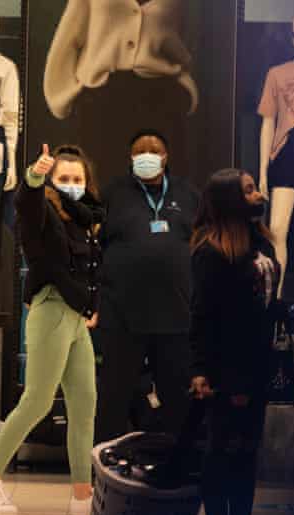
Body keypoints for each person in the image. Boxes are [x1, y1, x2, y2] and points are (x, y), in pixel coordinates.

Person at [0, 144, 103, 514]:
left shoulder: (84, 219)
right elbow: (25, 201)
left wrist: (92, 308)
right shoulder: (40, 211)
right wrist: (35, 175)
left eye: (77, 179)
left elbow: (91, 270)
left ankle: (82, 495)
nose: (72, 184)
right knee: (38, 400)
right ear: (51, 181)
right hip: (51, 311)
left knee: (84, 403)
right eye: (64, 178)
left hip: (76, 319)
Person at [189, 168, 294, 515]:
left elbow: (262, 306)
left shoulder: (262, 244)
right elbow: (202, 316)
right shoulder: (210, 252)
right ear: (231, 200)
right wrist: (201, 371)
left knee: (246, 457)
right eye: (248, 191)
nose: (258, 195)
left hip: (257, 362)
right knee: (221, 456)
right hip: (225, 367)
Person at [95, 129, 200, 444]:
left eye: (154, 151)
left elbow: (202, 242)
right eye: (140, 151)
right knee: (113, 396)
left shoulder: (187, 193)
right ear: (131, 158)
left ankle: (178, 470)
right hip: (122, 315)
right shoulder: (113, 193)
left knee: (178, 398)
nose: (147, 156)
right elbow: (96, 242)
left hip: (175, 315)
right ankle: (103, 468)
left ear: (166, 158)